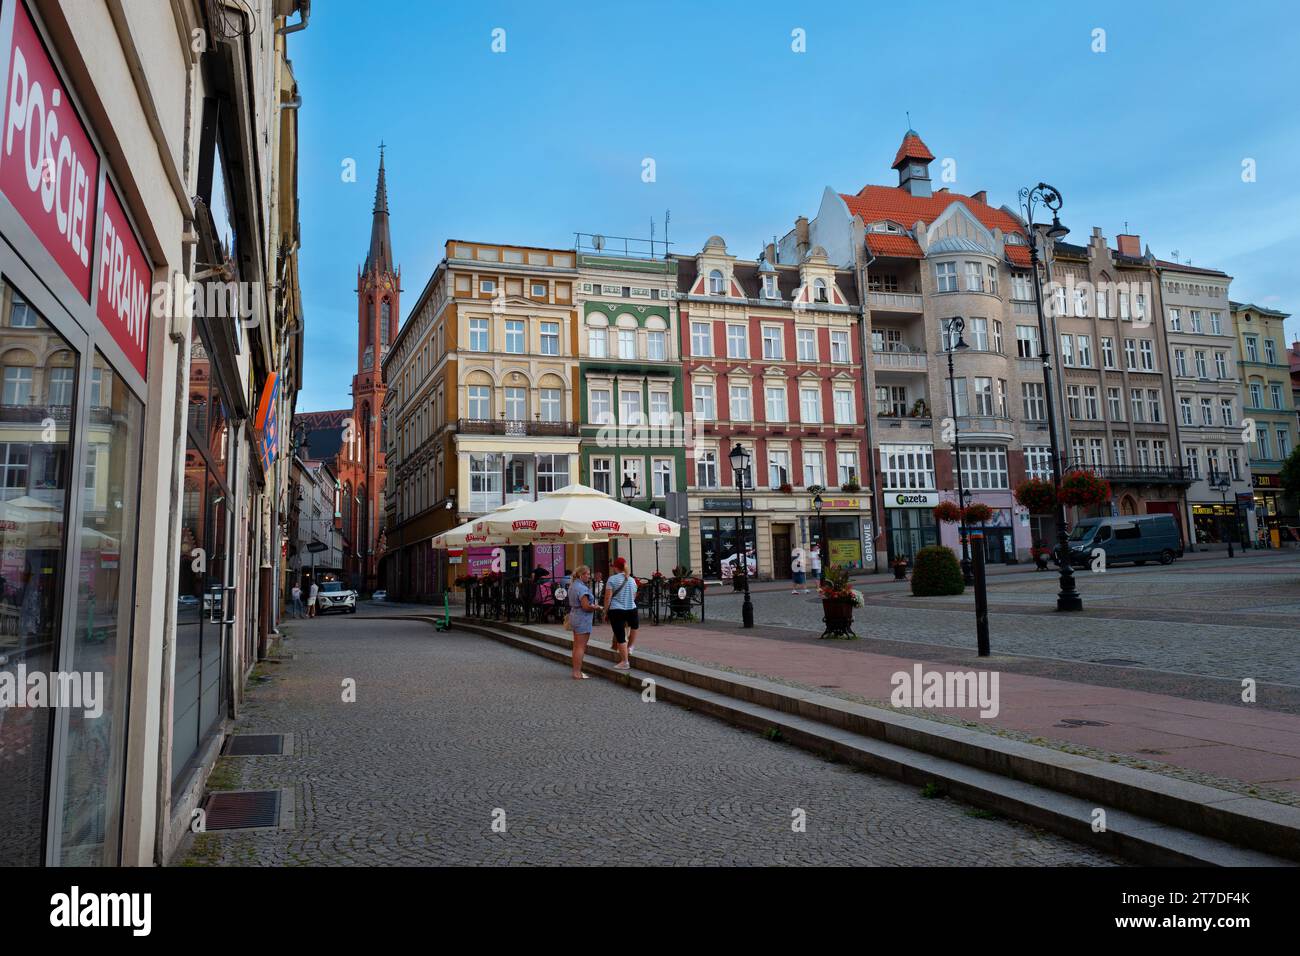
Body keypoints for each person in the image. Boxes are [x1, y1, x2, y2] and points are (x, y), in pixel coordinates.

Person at [603, 556, 638, 669]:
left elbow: (608, 598)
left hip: (617, 610)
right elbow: (633, 596)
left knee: (620, 636)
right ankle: (630, 648)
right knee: (634, 628)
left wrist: (605, 611)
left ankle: (625, 662)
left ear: (615, 567)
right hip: (632, 609)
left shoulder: (612, 579)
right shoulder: (632, 580)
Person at [568, 565, 596, 680]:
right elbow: (585, 606)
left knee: (576, 646)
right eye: (587, 574)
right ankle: (577, 672)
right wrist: (595, 607)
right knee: (581, 647)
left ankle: (576, 670)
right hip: (582, 618)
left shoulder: (573, 586)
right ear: (581, 575)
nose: (589, 576)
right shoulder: (582, 588)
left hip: (574, 615)